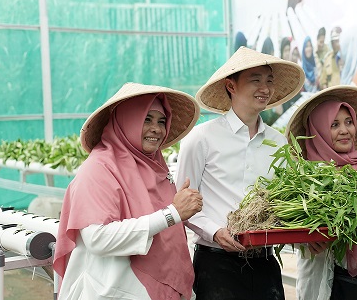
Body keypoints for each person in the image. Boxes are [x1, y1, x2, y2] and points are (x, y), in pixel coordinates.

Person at [176, 46, 305, 300]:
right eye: (255, 80)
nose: (265, 88)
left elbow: (286, 202)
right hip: (216, 265)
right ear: (231, 86)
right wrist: (214, 231)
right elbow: (182, 204)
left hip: (265, 263)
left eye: (269, 81)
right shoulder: (202, 139)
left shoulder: (279, 144)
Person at [53, 82, 203, 300]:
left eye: (162, 121)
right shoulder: (98, 169)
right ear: (127, 120)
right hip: (112, 291)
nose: (157, 129)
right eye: (146, 119)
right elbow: (97, 238)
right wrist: (172, 214)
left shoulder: (156, 168)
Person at [285, 85, 357, 300]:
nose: (344, 130)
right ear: (318, 130)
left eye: (348, 122)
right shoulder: (306, 174)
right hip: (318, 282)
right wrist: (305, 240)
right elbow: (288, 227)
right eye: (334, 124)